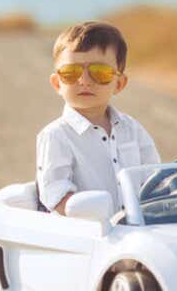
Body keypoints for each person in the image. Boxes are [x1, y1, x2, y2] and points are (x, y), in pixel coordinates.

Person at [36, 21, 161, 215]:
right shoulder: (56, 135)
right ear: (57, 83)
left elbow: (155, 180)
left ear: (119, 84)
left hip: (136, 229)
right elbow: (55, 193)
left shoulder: (132, 129)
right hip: (85, 235)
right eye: (71, 73)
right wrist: (95, 217)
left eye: (100, 73)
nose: (84, 81)